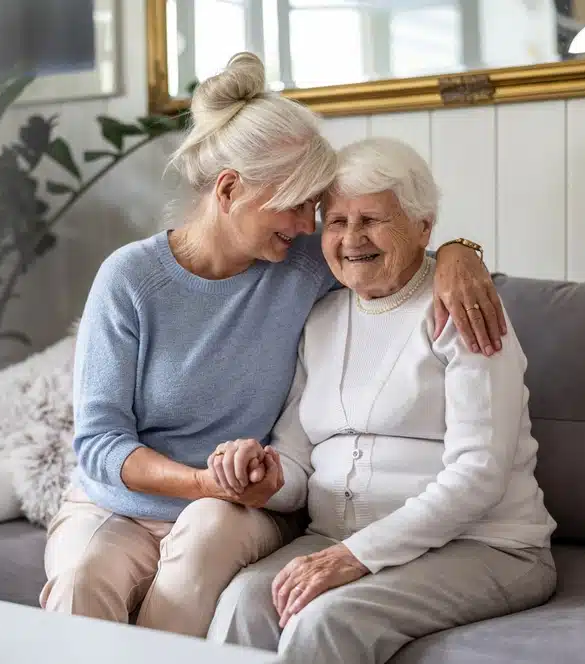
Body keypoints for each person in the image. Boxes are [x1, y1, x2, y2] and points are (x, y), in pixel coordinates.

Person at [40, 54, 508, 638]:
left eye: (315, 207)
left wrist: (463, 252)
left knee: (205, 536)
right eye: (295, 203)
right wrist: (200, 482)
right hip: (121, 501)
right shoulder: (130, 278)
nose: (309, 224)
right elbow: (101, 445)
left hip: (240, 502)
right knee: (83, 577)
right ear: (231, 189)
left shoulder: (300, 260)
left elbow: (397, 255)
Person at [207, 137, 558, 662]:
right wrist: (267, 474)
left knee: (324, 620)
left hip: (485, 545)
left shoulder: (462, 309)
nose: (351, 239)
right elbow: (299, 458)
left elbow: (479, 474)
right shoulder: (320, 319)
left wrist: (356, 556)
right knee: (243, 602)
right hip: (340, 537)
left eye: (372, 219)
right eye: (337, 221)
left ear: (423, 227)